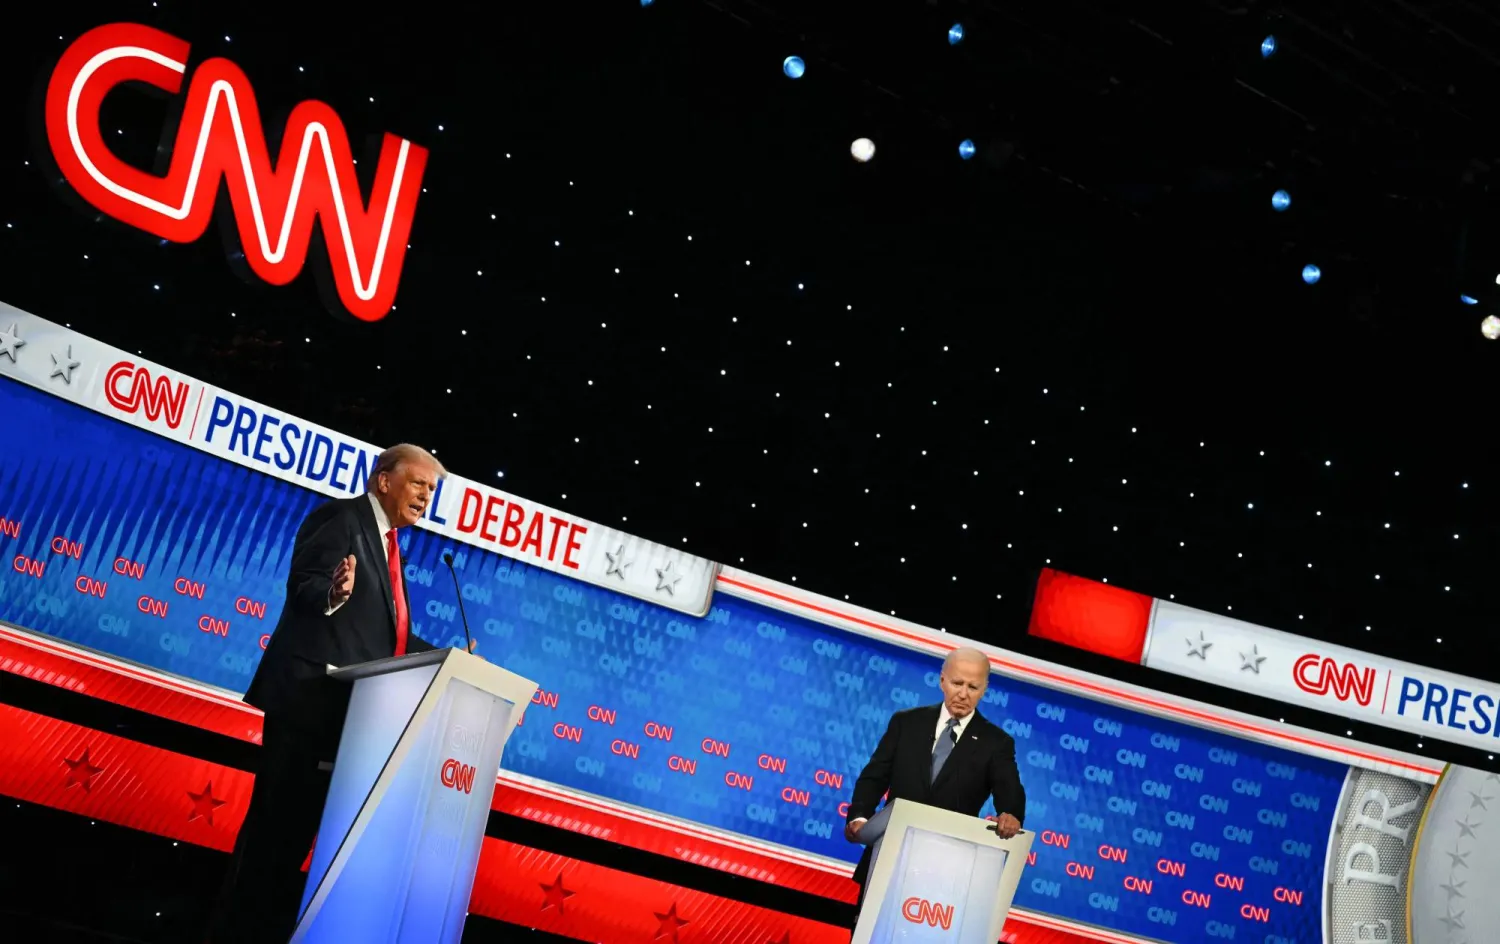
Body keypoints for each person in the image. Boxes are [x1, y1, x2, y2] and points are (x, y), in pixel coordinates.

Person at [208, 443, 473, 943]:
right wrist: (331, 593)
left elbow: (386, 640)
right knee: (271, 838)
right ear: (384, 481)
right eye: (419, 484)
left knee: (291, 844)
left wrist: (449, 659)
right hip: (308, 704)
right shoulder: (342, 518)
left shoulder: (388, 543)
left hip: (342, 720)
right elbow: (306, 584)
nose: (426, 496)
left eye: (432, 490)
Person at [844, 646, 1026, 899]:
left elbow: (1010, 792)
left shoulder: (996, 743)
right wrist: (860, 817)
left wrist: (1011, 814)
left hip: (947, 871)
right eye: (957, 683)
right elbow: (875, 776)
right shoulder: (906, 723)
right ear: (942, 681)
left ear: (984, 689)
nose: (963, 694)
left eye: (973, 687)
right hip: (888, 855)